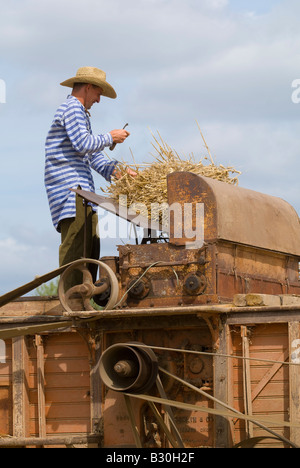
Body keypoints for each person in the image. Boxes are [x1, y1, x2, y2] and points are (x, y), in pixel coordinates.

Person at [44, 66, 134, 289]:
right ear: (88, 87)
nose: (99, 99)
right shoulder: (72, 108)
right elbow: (84, 144)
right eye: (98, 93)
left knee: (90, 246)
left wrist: (118, 172)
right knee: (77, 249)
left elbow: (92, 155)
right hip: (71, 192)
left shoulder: (80, 113)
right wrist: (110, 136)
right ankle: (73, 297)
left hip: (82, 194)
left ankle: (85, 295)